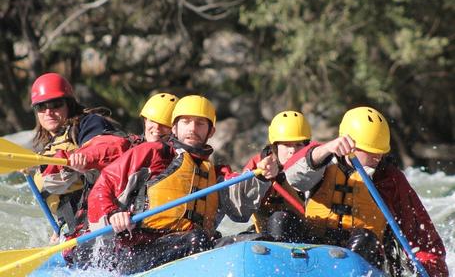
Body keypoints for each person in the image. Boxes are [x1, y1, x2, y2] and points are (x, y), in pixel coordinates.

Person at [85, 95, 278, 274]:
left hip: (192, 247)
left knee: (259, 242)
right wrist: (113, 213)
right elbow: (102, 187)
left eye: (200, 123)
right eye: (186, 122)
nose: (192, 128)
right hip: (137, 253)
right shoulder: (152, 154)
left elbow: (240, 209)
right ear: (174, 128)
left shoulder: (215, 173)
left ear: (211, 131)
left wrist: (261, 177)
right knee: (198, 239)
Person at [284, 106, 448, 276]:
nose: (377, 157)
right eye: (369, 151)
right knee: (282, 221)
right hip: (313, 252)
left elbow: (421, 236)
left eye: (380, 152)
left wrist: (432, 270)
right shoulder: (320, 160)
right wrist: (323, 150)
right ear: (348, 145)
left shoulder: (389, 178)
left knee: (364, 239)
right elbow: (294, 177)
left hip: (364, 257)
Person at [30, 72, 134, 243]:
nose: (48, 112)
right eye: (41, 107)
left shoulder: (87, 124)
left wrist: (82, 157)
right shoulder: (49, 144)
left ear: (69, 104)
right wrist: (61, 227)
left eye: (55, 104)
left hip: (101, 212)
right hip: (73, 224)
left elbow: (103, 148)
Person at [242, 110, 319, 241]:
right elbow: (242, 207)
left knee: (279, 219)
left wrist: (282, 178)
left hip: (305, 234)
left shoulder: (316, 168)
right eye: (286, 145)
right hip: (265, 233)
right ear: (275, 146)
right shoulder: (258, 165)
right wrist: (261, 179)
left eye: (299, 145)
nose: (293, 151)